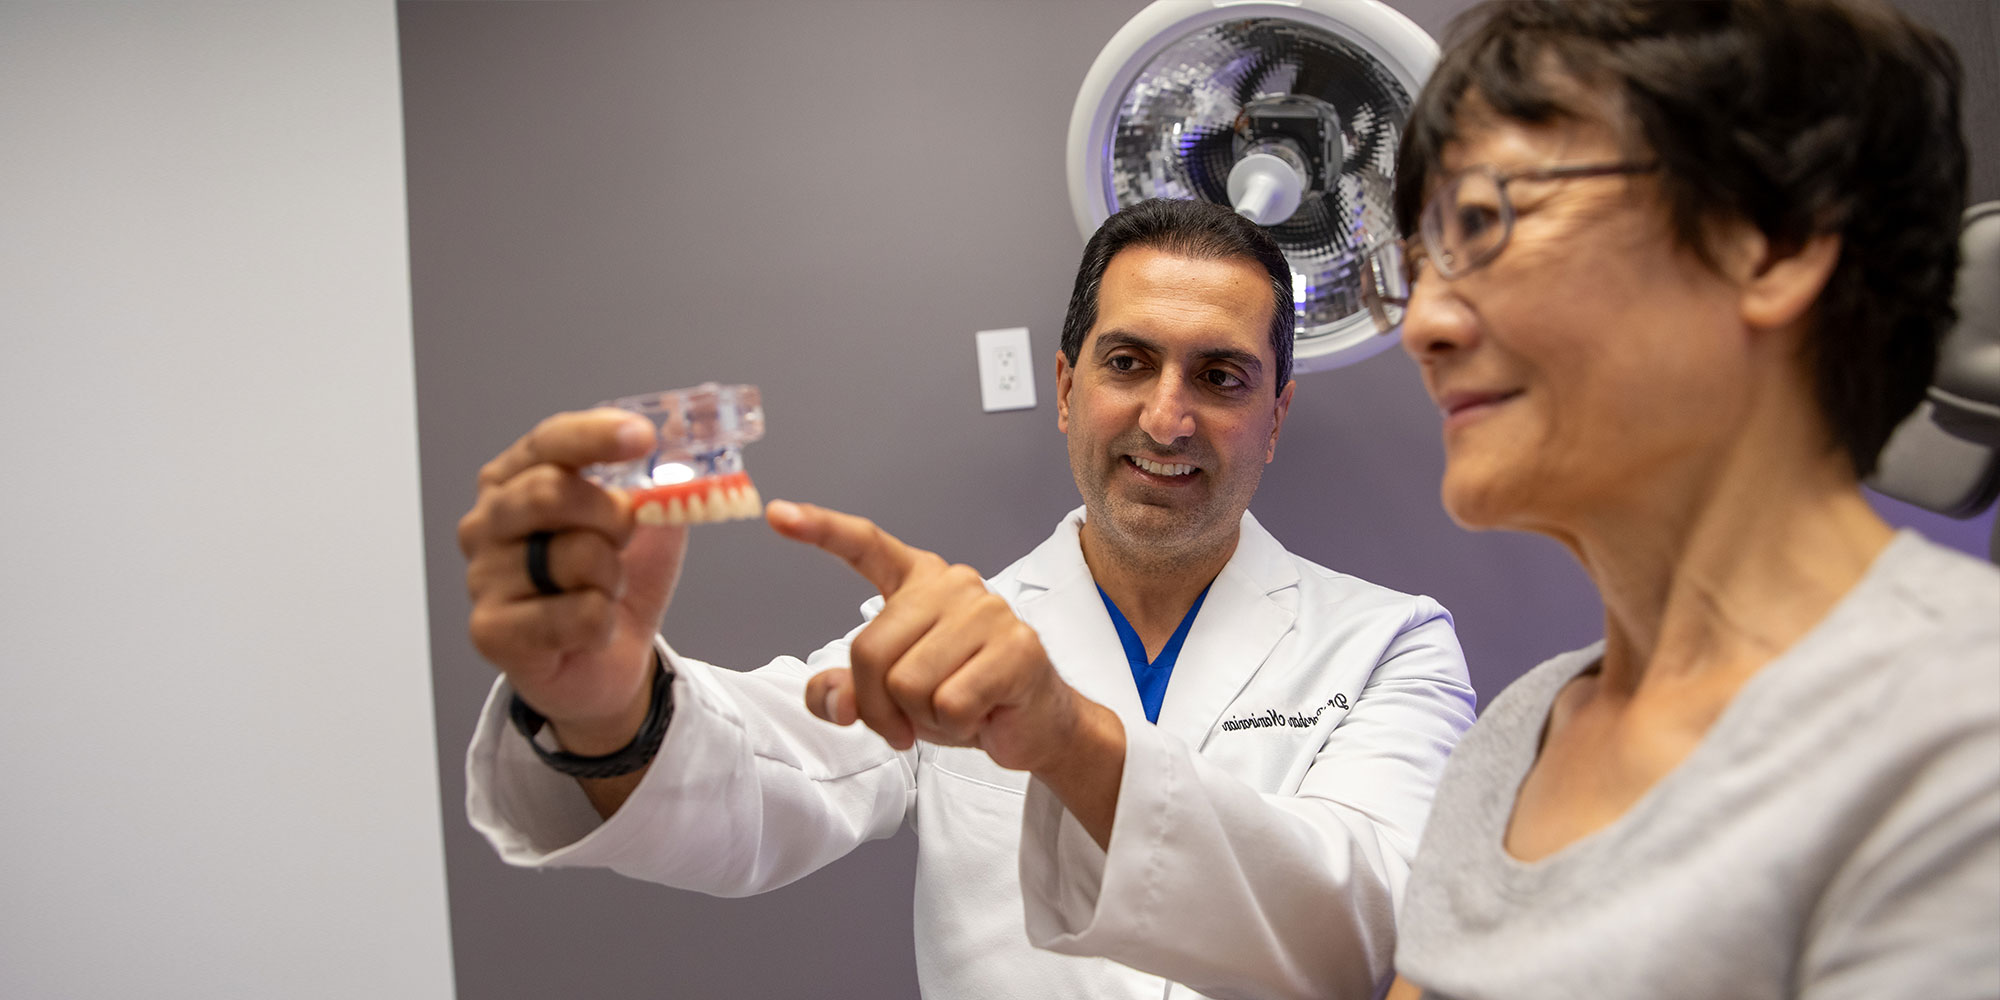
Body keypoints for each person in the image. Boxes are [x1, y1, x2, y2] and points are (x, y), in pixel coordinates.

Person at [457, 197, 1478, 1000]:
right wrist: (610, 712)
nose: (1167, 419)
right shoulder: (954, 632)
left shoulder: (1389, 644)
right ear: (1068, 388)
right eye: (1128, 363)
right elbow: (765, 776)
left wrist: (1067, 739)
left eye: (1220, 377)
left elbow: (1368, 930)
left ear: (1275, 416)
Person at [1356, 2, 2000, 998]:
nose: (1422, 326)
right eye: (1409, 270)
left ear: (1768, 243)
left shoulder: (1957, 733)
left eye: (1478, 221)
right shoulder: (1515, 737)